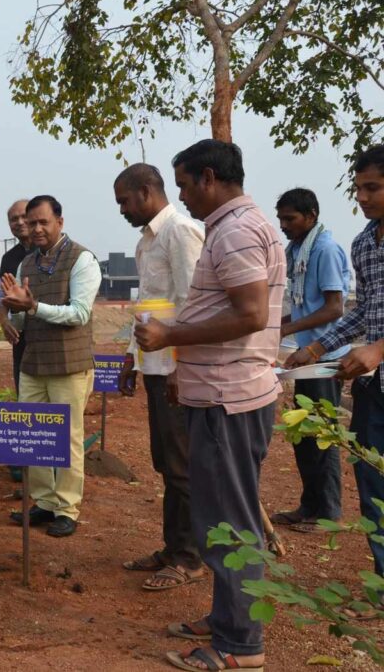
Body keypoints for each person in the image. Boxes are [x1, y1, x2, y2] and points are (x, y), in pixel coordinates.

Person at [135, 139, 284, 672]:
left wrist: (171, 335)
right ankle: (227, 618)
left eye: (183, 185)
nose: (182, 196)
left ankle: (240, 645)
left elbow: (250, 315)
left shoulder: (237, 231)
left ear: (209, 178)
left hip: (229, 399)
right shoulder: (230, 228)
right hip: (222, 393)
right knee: (221, 518)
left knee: (231, 520)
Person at [285, 144, 384, 577]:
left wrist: (378, 348)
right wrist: (315, 349)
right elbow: (362, 312)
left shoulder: (326, 249)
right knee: (371, 482)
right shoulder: (363, 243)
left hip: (373, 362)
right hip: (372, 385)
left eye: (373, 188)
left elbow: (336, 307)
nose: (361, 197)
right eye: (358, 188)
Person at [114, 164, 205, 590]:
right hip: (155, 367)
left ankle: (189, 558)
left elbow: (193, 305)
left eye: (124, 201)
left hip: (176, 372)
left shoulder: (180, 232)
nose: (122, 210)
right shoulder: (146, 241)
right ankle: (173, 548)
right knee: (167, 463)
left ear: (146, 191)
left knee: (182, 466)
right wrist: (131, 359)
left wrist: (182, 367)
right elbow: (150, 307)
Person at [1, 195, 101, 539]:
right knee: (34, 435)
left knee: (68, 438)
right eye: (32, 223)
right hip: (33, 364)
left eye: (43, 222)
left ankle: (67, 508)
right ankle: (43, 502)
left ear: (60, 221)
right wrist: (12, 313)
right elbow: (22, 316)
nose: (36, 228)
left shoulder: (82, 259)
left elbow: (79, 314)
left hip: (69, 365)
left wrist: (33, 306)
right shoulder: (26, 264)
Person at [271, 189, 349, 534]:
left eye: (290, 218)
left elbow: (334, 308)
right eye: (281, 218)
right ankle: (309, 505)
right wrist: (277, 324)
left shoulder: (325, 250)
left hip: (324, 357)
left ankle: (328, 513)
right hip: (308, 357)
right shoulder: (300, 251)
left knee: (322, 436)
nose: (284, 225)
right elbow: (307, 306)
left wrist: (287, 328)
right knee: (304, 434)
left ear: (311, 216)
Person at [0, 199, 30, 391]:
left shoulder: (50, 252)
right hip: (21, 341)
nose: (20, 222)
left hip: (50, 339)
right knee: (24, 394)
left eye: (24, 216)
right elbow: (1, 298)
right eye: (14, 219)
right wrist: (4, 322)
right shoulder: (9, 258)